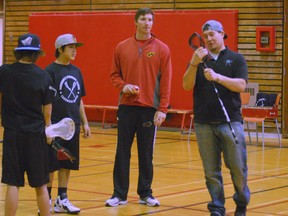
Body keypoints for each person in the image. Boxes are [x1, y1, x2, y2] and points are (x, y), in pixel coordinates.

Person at [105, 8, 172, 207]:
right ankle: (119, 194)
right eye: (143, 19)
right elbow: (114, 75)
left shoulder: (162, 49)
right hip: (126, 107)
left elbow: (166, 81)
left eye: (150, 20)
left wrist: (163, 109)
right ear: (135, 21)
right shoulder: (122, 47)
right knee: (122, 151)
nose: (147, 23)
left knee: (146, 153)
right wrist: (123, 85)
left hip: (149, 109)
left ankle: (145, 193)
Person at [182, 20, 250, 216]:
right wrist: (194, 63)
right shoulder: (198, 60)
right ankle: (217, 207)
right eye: (206, 36)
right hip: (203, 123)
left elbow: (240, 86)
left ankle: (241, 201)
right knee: (211, 171)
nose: (209, 39)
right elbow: (186, 85)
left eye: (213, 34)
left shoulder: (236, 59)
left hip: (230, 123)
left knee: (238, 168)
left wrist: (218, 77)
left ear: (222, 34)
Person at [0, 33, 55, 216]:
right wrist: (48, 127)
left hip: (12, 133)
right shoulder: (43, 75)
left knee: (13, 183)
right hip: (35, 135)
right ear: (36, 53)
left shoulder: (4, 71)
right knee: (40, 184)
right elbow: (47, 109)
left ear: (18, 51)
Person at [44, 33, 91, 214]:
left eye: (75, 47)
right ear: (60, 49)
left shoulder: (76, 71)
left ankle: (62, 199)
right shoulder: (49, 72)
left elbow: (78, 99)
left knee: (67, 163)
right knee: (51, 165)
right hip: (55, 126)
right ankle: (46, 199)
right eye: (71, 47)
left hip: (72, 127)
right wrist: (48, 126)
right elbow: (44, 101)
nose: (74, 50)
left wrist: (85, 123)